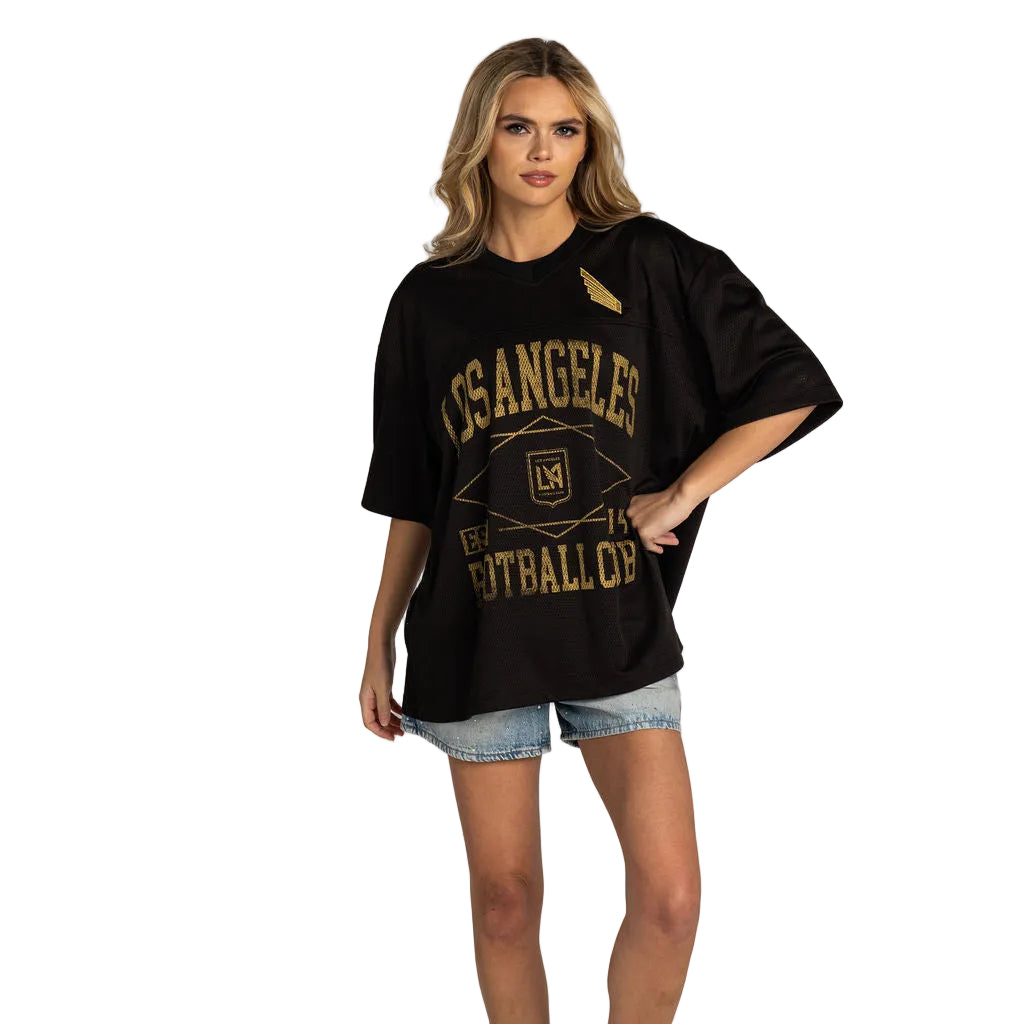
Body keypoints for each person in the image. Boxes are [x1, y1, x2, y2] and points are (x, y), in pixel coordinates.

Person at [359, 37, 843, 1024]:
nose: (543, 151)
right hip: (476, 627)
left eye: (566, 130)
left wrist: (679, 496)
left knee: (670, 899)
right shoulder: (427, 300)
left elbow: (789, 383)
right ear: (481, 140)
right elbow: (415, 489)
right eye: (519, 127)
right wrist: (376, 637)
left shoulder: (648, 261)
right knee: (504, 904)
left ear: (590, 143)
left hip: (616, 622)